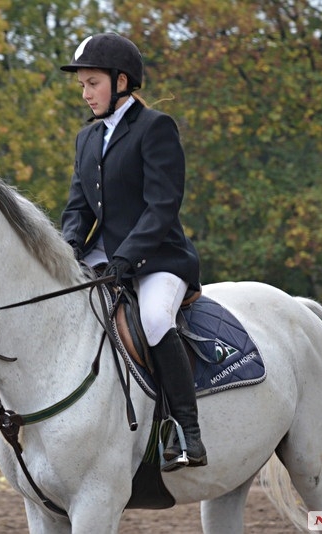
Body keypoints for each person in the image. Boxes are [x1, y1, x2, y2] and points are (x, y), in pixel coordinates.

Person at [60, 33, 206, 471]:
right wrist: (67, 248)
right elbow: (78, 206)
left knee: (156, 319)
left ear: (121, 81)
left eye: (92, 84)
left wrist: (128, 257)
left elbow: (163, 206)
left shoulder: (155, 127)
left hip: (158, 257)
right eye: (82, 85)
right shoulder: (87, 140)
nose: (85, 94)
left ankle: (186, 432)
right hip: (105, 258)